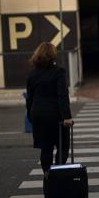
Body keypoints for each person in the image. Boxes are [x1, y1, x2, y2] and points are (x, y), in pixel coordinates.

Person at [26, 42, 74, 175]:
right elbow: (62, 95)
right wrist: (67, 117)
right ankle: (57, 175)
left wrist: (30, 115)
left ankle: (48, 176)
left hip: (38, 114)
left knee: (46, 148)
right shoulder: (59, 72)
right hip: (55, 114)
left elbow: (29, 98)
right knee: (62, 146)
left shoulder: (32, 74)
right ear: (53, 55)